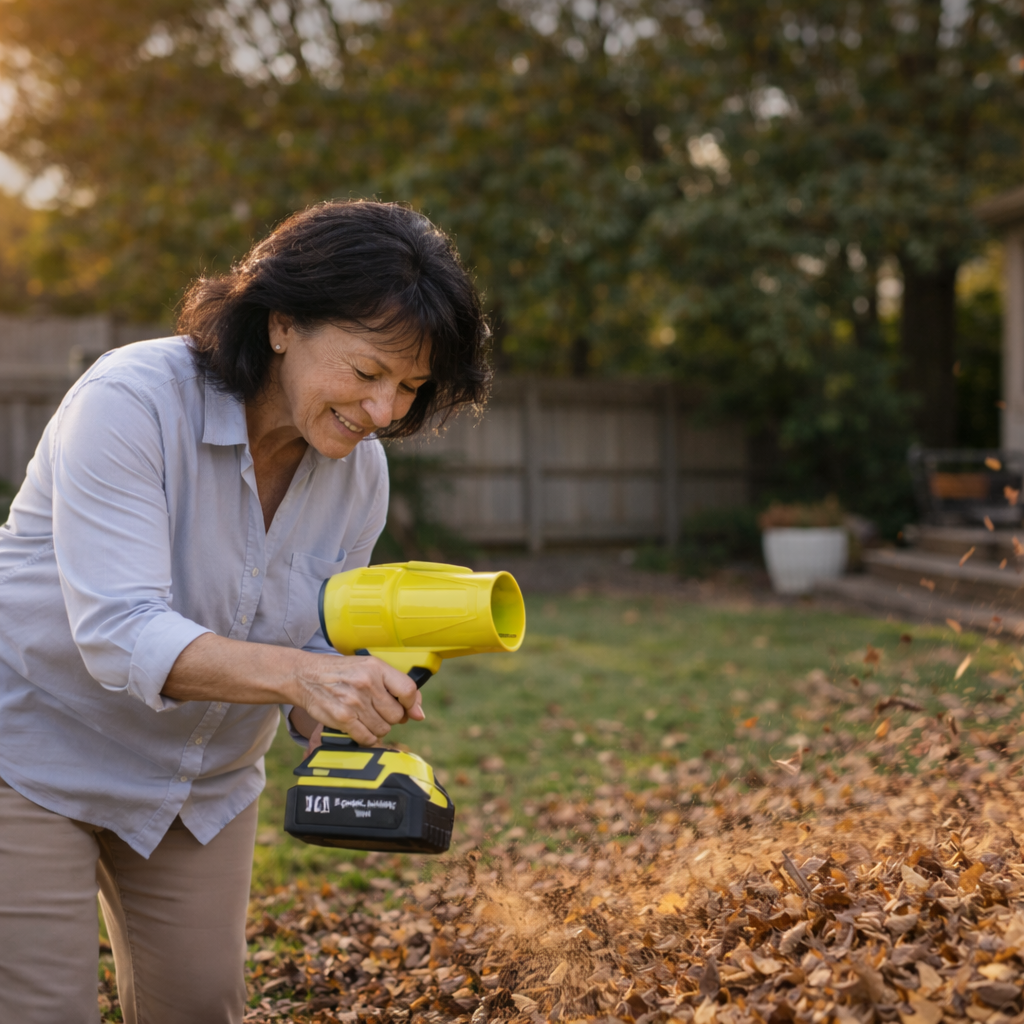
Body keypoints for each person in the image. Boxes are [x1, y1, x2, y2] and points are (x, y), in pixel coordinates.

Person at [0, 200, 490, 1024]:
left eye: (410, 388)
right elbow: (119, 633)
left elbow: (316, 640)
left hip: (199, 786)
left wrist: (340, 708)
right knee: (41, 1009)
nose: (384, 413)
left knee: (200, 1008)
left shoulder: (359, 474)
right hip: (34, 754)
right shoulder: (131, 402)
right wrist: (306, 677)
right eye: (368, 372)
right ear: (281, 323)